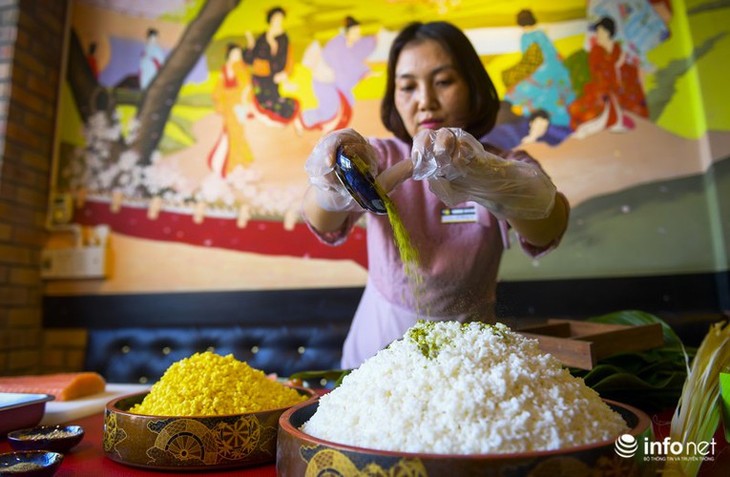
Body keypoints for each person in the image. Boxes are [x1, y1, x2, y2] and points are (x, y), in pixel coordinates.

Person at [302, 21, 570, 368]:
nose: (425, 101)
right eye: (408, 87)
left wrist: (484, 175)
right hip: (378, 347)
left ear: (473, 87)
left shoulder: (503, 165)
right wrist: (332, 184)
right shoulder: (378, 157)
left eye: (443, 82)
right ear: (394, 98)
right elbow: (321, 218)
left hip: (469, 357)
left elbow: (548, 226)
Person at [300, 16, 377, 133]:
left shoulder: (350, 45)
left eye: (358, 31)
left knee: (347, 103)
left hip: (334, 83)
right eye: (355, 32)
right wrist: (363, 72)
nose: (358, 34)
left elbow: (358, 54)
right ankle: (303, 120)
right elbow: (344, 68)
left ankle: (330, 128)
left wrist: (364, 72)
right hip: (324, 83)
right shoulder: (336, 45)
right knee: (328, 110)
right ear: (347, 32)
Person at [243, 6, 299, 126]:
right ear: (271, 19)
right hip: (259, 76)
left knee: (276, 103)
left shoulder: (283, 38)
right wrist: (250, 44)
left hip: (273, 77)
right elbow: (250, 58)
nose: (278, 21)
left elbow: (285, 59)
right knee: (260, 101)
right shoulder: (263, 37)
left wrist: (284, 74)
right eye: (276, 18)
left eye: (280, 19)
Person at [207, 43, 254, 177]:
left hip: (239, 103)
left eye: (239, 54)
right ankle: (235, 163)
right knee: (230, 132)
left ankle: (239, 162)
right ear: (230, 54)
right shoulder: (225, 68)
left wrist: (244, 102)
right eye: (235, 53)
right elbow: (218, 88)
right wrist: (220, 101)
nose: (237, 56)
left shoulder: (240, 67)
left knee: (237, 131)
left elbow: (246, 86)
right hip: (228, 104)